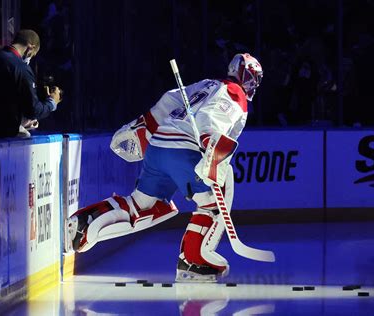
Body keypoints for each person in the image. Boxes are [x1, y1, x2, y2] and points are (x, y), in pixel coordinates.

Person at [65, 53, 263, 282]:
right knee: (212, 205)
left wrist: (148, 123)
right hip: (184, 151)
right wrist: (209, 138)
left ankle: (84, 224)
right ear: (239, 73)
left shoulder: (208, 84)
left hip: (158, 146)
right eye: (250, 77)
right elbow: (212, 116)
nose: (252, 84)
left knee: (143, 205)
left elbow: (170, 99)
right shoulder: (235, 94)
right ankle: (194, 261)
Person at [0, 29, 62, 140]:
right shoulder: (21, 68)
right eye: (32, 55)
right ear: (30, 48)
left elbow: (0, 102)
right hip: (10, 139)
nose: (30, 58)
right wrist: (52, 103)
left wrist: (21, 120)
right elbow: (33, 110)